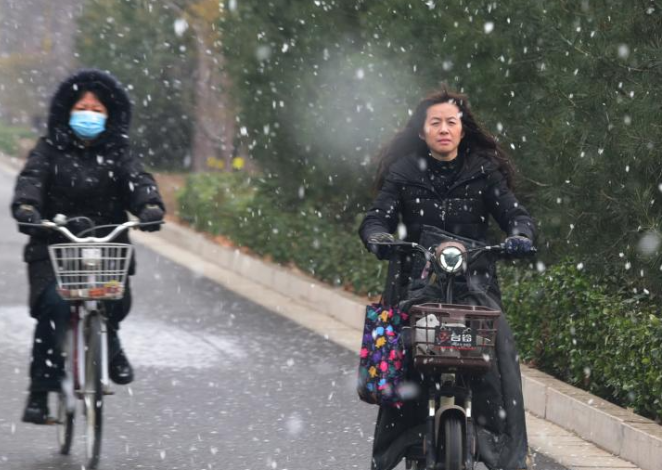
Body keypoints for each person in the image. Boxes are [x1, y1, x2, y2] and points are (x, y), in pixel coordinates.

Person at [359, 87, 536, 470]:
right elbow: (376, 217)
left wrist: (520, 235)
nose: (444, 129)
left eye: (451, 122)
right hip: (414, 286)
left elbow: (514, 214)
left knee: (500, 356)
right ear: (422, 131)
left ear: (462, 130)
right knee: (400, 358)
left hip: (476, 286)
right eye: (435, 122)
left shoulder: (483, 171)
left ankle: (503, 448)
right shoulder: (404, 171)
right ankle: (399, 444)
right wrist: (378, 237)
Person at [11, 69, 165, 424]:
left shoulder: (119, 152)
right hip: (54, 245)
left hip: (106, 242)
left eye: (97, 109)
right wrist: (28, 208)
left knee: (116, 297)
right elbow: (32, 179)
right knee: (55, 306)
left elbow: (138, 180)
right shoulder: (49, 149)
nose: (89, 114)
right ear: (67, 111)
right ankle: (40, 392)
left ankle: (111, 346)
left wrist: (149, 205)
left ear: (110, 116)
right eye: (82, 107)